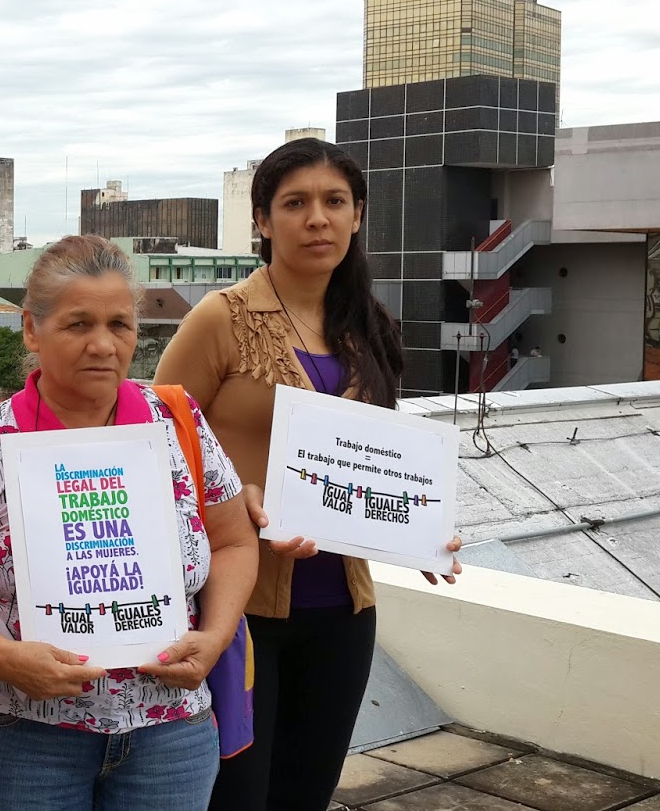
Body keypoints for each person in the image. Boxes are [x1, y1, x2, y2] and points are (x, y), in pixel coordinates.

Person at [154, 137, 463, 811]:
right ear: (262, 221)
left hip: (344, 610)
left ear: (357, 215)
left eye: (334, 202)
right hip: (237, 611)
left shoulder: (370, 325)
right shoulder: (220, 318)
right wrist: (232, 498)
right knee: (236, 798)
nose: (317, 218)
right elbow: (152, 448)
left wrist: (420, 528)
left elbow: (378, 457)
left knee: (307, 795)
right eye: (295, 203)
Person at [0, 235, 259, 811]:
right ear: (32, 330)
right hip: (21, 738)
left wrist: (215, 636)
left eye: (119, 324)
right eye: (78, 324)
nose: (103, 344)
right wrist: (3, 658)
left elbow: (233, 542)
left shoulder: (176, 423)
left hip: (168, 735)